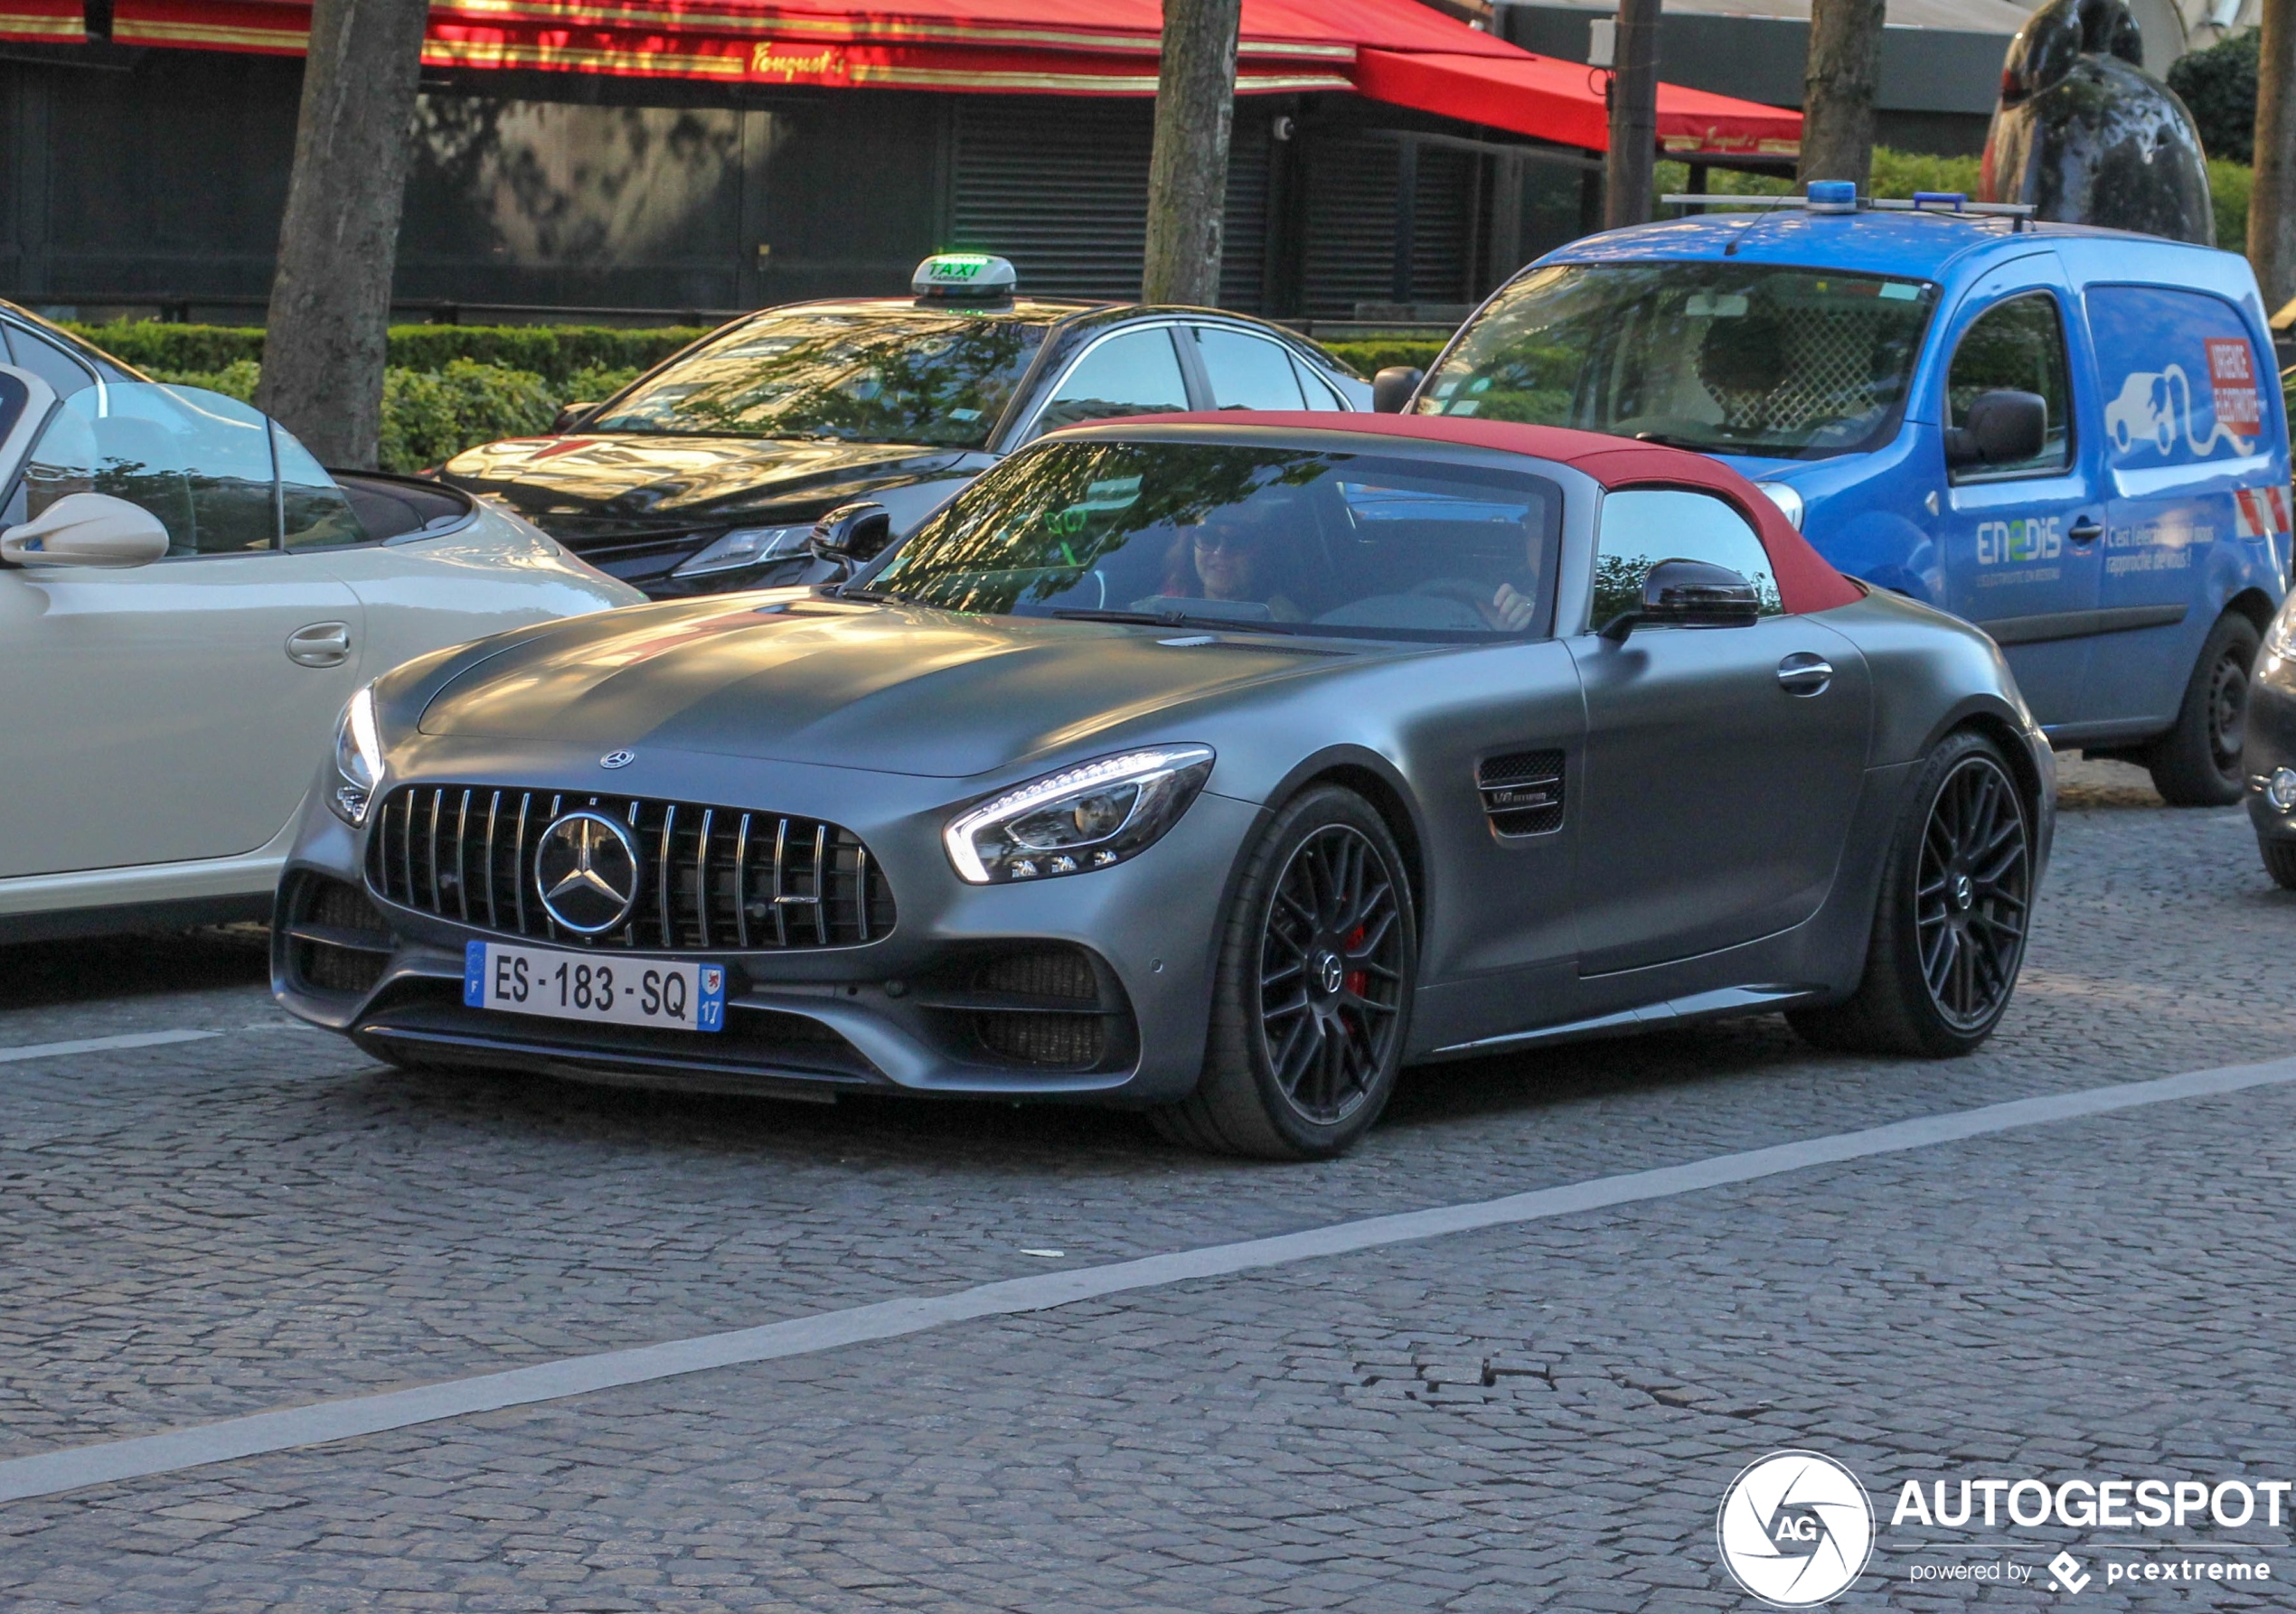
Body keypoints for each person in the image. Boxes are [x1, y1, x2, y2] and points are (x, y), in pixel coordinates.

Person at [1155, 498, 1306, 621]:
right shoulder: (1154, 612)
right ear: (1190, 548)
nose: (1220, 551)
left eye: (1238, 541)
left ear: (1262, 551)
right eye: (1208, 537)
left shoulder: (1286, 622)